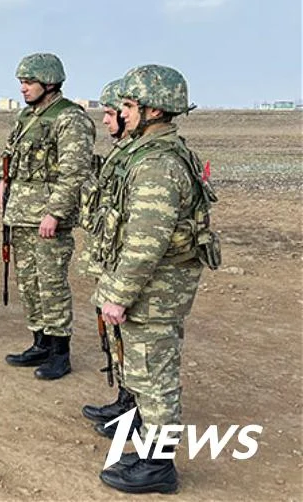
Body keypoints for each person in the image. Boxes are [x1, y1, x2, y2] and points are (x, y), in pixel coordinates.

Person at [93, 65, 219, 494]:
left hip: (156, 290)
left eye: (128, 106)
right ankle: (149, 450)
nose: (120, 113)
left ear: (151, 111)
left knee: (154, 377)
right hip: (155, 286)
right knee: (147, 374)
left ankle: (158, 467)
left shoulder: (158, 165)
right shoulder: (151, 153)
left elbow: (146, 241)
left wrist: (118, 294)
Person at [0, 53, 96, 380]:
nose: (23, 88)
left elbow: (75, 173)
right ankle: (39, 340)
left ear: (49, 83)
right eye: (21, 83)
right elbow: (9, 153)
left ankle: (59, 351)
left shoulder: (70, 119)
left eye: (28, 82)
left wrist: (55, 213)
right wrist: (0, 180)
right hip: (21, 213)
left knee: (51, 283)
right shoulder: (27, 117)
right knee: (29, 283)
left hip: (47, 218)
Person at [79, 78, 137, 429]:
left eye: (112, 113)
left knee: (131, 338)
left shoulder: (143, 160)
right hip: (111, 257)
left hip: (126, 265)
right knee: (116, 337)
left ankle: (135, 410)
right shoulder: (123, 152)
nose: (105, 120)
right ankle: (125, 401)